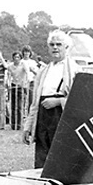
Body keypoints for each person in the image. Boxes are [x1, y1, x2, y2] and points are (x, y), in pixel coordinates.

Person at [22, 30, 82, 168]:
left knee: (60, 157)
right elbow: (35, 102)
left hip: (61, 116)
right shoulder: (43, 71)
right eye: (52, 44)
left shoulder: (75, 70)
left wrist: (58, 101)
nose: (55, 47)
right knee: (42, 157)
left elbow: (79, 100)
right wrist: (28, 126)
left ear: (66, 47)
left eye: (59, 44)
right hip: (43, 118)